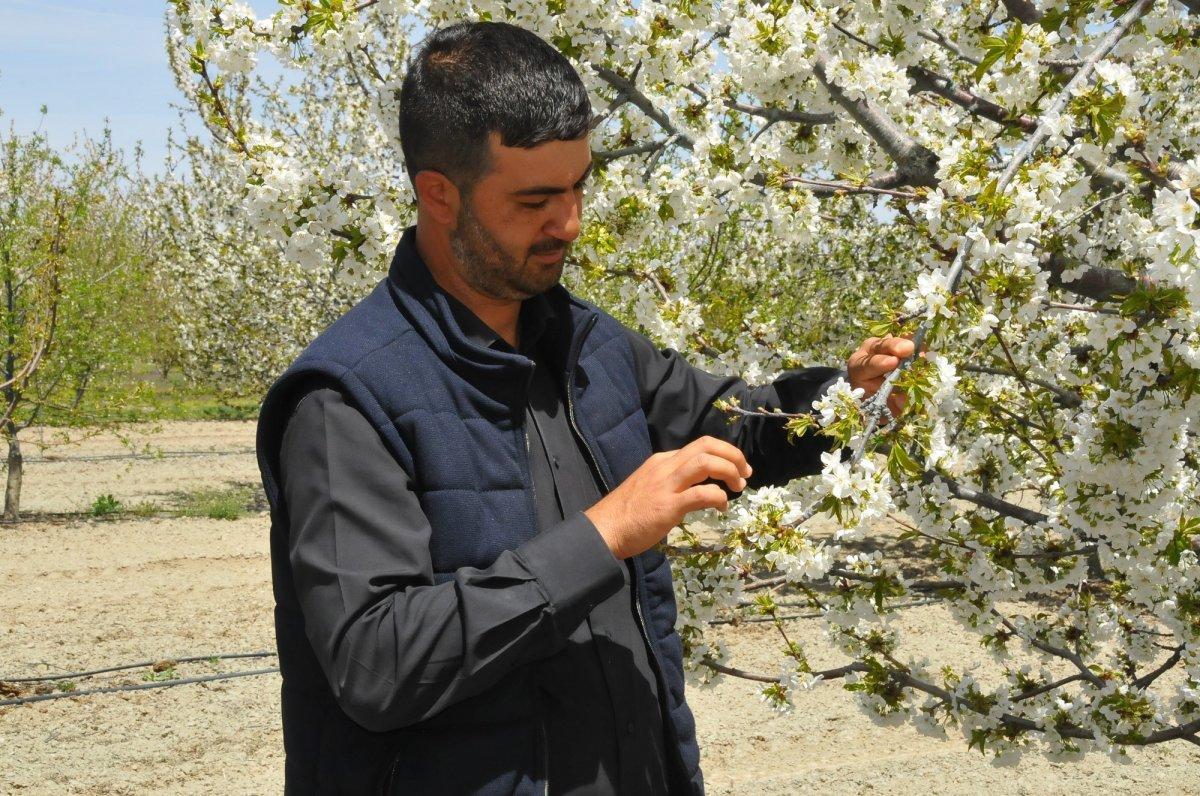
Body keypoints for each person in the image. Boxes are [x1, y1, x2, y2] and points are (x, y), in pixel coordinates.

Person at [253, 19, 915, 796]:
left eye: (578, 188)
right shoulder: (344, 400)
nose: (569, 223)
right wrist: (603, 535)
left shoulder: (586, 343)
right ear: (438, 193)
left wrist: (847, 399)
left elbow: (741, 427)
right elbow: (378, 662)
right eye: (535, 199)